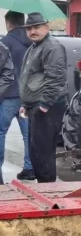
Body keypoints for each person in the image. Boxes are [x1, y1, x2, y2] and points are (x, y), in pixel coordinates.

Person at [19, 12, 68, 183]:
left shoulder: (52, 47)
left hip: (48, 107)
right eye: (29, 28)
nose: (32, 31)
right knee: (37, 152)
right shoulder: (35, 47)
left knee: (44, 152)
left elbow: (55, 77)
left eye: (36, 27)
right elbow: (29, 77)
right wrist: (25, 103)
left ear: (46, 28)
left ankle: (48, 193)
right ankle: (44, 187)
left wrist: (44, 104)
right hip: (36, 105)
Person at [0, 11, 33, 182]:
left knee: (0, 132)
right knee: (28, 135)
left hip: (7, 96)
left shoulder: (5, 42)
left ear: (9, 24)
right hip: (27, 98)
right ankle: (29, 168)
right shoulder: (33, 43)